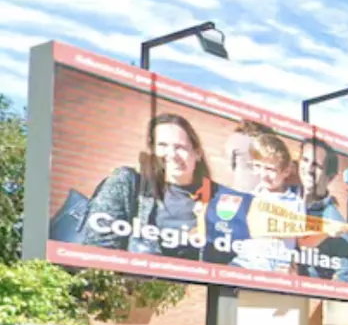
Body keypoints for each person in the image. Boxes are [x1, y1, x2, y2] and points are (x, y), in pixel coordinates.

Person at [82, 112, 249, 263]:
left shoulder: (221, 199)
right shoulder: (129, 184)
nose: (172, 154)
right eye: (162, 146)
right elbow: (98, 248)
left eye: (180, 147)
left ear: (197, 153)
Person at [230, 125, 305, 273]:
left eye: (270, 169)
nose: (263, 174)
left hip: (277, 270)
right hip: (247, 266)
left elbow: (298, 235)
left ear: (286, 171)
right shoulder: (251, 198)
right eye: (258, 166)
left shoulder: (295, 203)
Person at [296, 137, 348, 284]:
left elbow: (346, 280)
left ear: (330, 177)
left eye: (317, 165)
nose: (309, 169)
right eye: (305, 160)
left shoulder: (335, 223)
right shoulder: (283, 198)